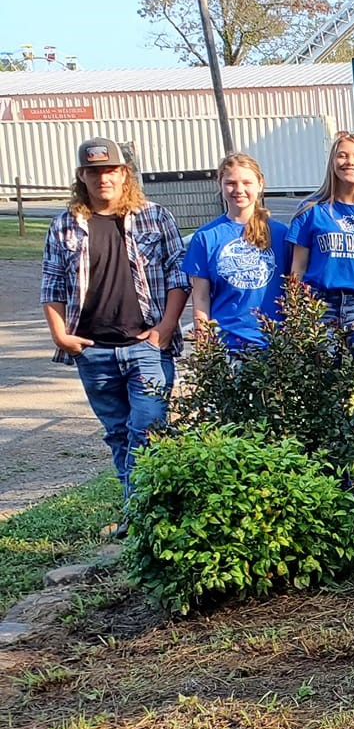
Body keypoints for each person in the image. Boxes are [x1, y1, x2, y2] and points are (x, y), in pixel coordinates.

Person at [40, 136, 189, 507]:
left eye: (110, 170)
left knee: (149, 429)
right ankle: (137, 511)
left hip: (146, 346)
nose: (102, 178)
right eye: (94, 172)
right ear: (82, 176)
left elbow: (178, 275)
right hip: (93, 351)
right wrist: (61, 335)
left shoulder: (156, 216)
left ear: (124, 174)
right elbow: (52, 282)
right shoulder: (64, 225)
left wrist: (167, 327)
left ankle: (143, 511)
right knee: (119, 433)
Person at [288, 131, 354, 360]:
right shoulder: (311, 210)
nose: (350, 162)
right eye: (342, 156)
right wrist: (298, 312)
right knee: (325, 386)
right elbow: (297, 268)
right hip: (319, 306)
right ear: (332, 162)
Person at [183, 153, 288, 351]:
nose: (239, 190)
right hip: (228, 345)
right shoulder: (206, 237)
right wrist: (205, 345)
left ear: (260, 183)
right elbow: (201, 297)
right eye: (231, 183)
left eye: (246, 182)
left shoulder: (281, 234)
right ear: (220, 184)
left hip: (275, 345)